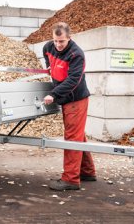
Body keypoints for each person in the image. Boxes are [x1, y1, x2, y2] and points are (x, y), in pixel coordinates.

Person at [43, 21, 96, 191]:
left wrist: (54, 94)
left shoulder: (76, 54)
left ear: (69, 38)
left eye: (62, 42)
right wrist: (49, 68)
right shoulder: (48, 47)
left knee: (72, 138)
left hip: (76, 100)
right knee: (78, 135)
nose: (58, 45)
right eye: (56, 41)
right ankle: (87, 171)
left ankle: (71, 179)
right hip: (65, 99)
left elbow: (74, 80)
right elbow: (47, 57)